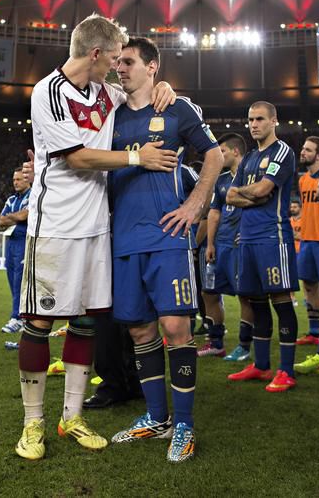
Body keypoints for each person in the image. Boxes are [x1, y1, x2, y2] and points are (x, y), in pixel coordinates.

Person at [14, 13, 176, 461]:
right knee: (40, 322)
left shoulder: (107, 92)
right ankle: (32, 423)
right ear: (96, 53)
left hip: (98, 226)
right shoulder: (47, 92)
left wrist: (165, 87)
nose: (119, 67)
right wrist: (137, 158)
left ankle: (72, 416)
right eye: (115, 58)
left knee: (86, 323)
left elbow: (143, 91)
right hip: (55, 225)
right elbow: (79, 158)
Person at [106, 37, 223, 463]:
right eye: (117, 62)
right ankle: (158, 418)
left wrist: (194, 205)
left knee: (176, 328)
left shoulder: (176, 107)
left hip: (166, 236)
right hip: (123, 239)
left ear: (152, 66)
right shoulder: (110, 115)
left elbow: (214, 157)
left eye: (128, 61)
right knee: (140, 331)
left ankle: (185, 425)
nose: (120, 68)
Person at [225, 102, 300, 393]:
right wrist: (253, 196)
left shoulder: (282, 152)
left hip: (273, 236)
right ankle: (261, 365)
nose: (254, 124)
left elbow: (264, 190)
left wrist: (251, 193)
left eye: (259, 119)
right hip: (247, 237)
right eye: (250, 120)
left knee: (281, 300)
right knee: (256, 301)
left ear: (273, 121)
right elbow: (231, 196)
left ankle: (287, 370)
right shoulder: (249, 158)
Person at [202, 134, 249, 360]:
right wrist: (210, 243)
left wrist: (248, 232)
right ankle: (216, 342)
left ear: (235, 151)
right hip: (220, 245)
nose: (219, 155)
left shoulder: (250, 176)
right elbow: (214, 213)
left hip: (240, 246)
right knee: (209, 292)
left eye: (223, 151)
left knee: (245, 295)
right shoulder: (221, 180)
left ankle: (244, 345)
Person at [292, 137, 319, 349]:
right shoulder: (303, 179)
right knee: (309, 285)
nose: (303, 152)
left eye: (308, 150)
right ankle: (315, 332)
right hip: (307, 238)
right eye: (303, 148)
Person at [0, 168, 30, 333]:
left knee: (19, 281)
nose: (15, 183)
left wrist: (12, 216)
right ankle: (22, 317)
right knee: (12, 279)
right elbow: (1, 221)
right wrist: (16, 216)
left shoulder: (33, 195)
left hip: (24, 241)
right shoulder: (11, 199)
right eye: (14, 180)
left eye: (18, 179)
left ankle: (17, 318)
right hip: (11, 242)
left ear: (27, 180)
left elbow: (24, 216)